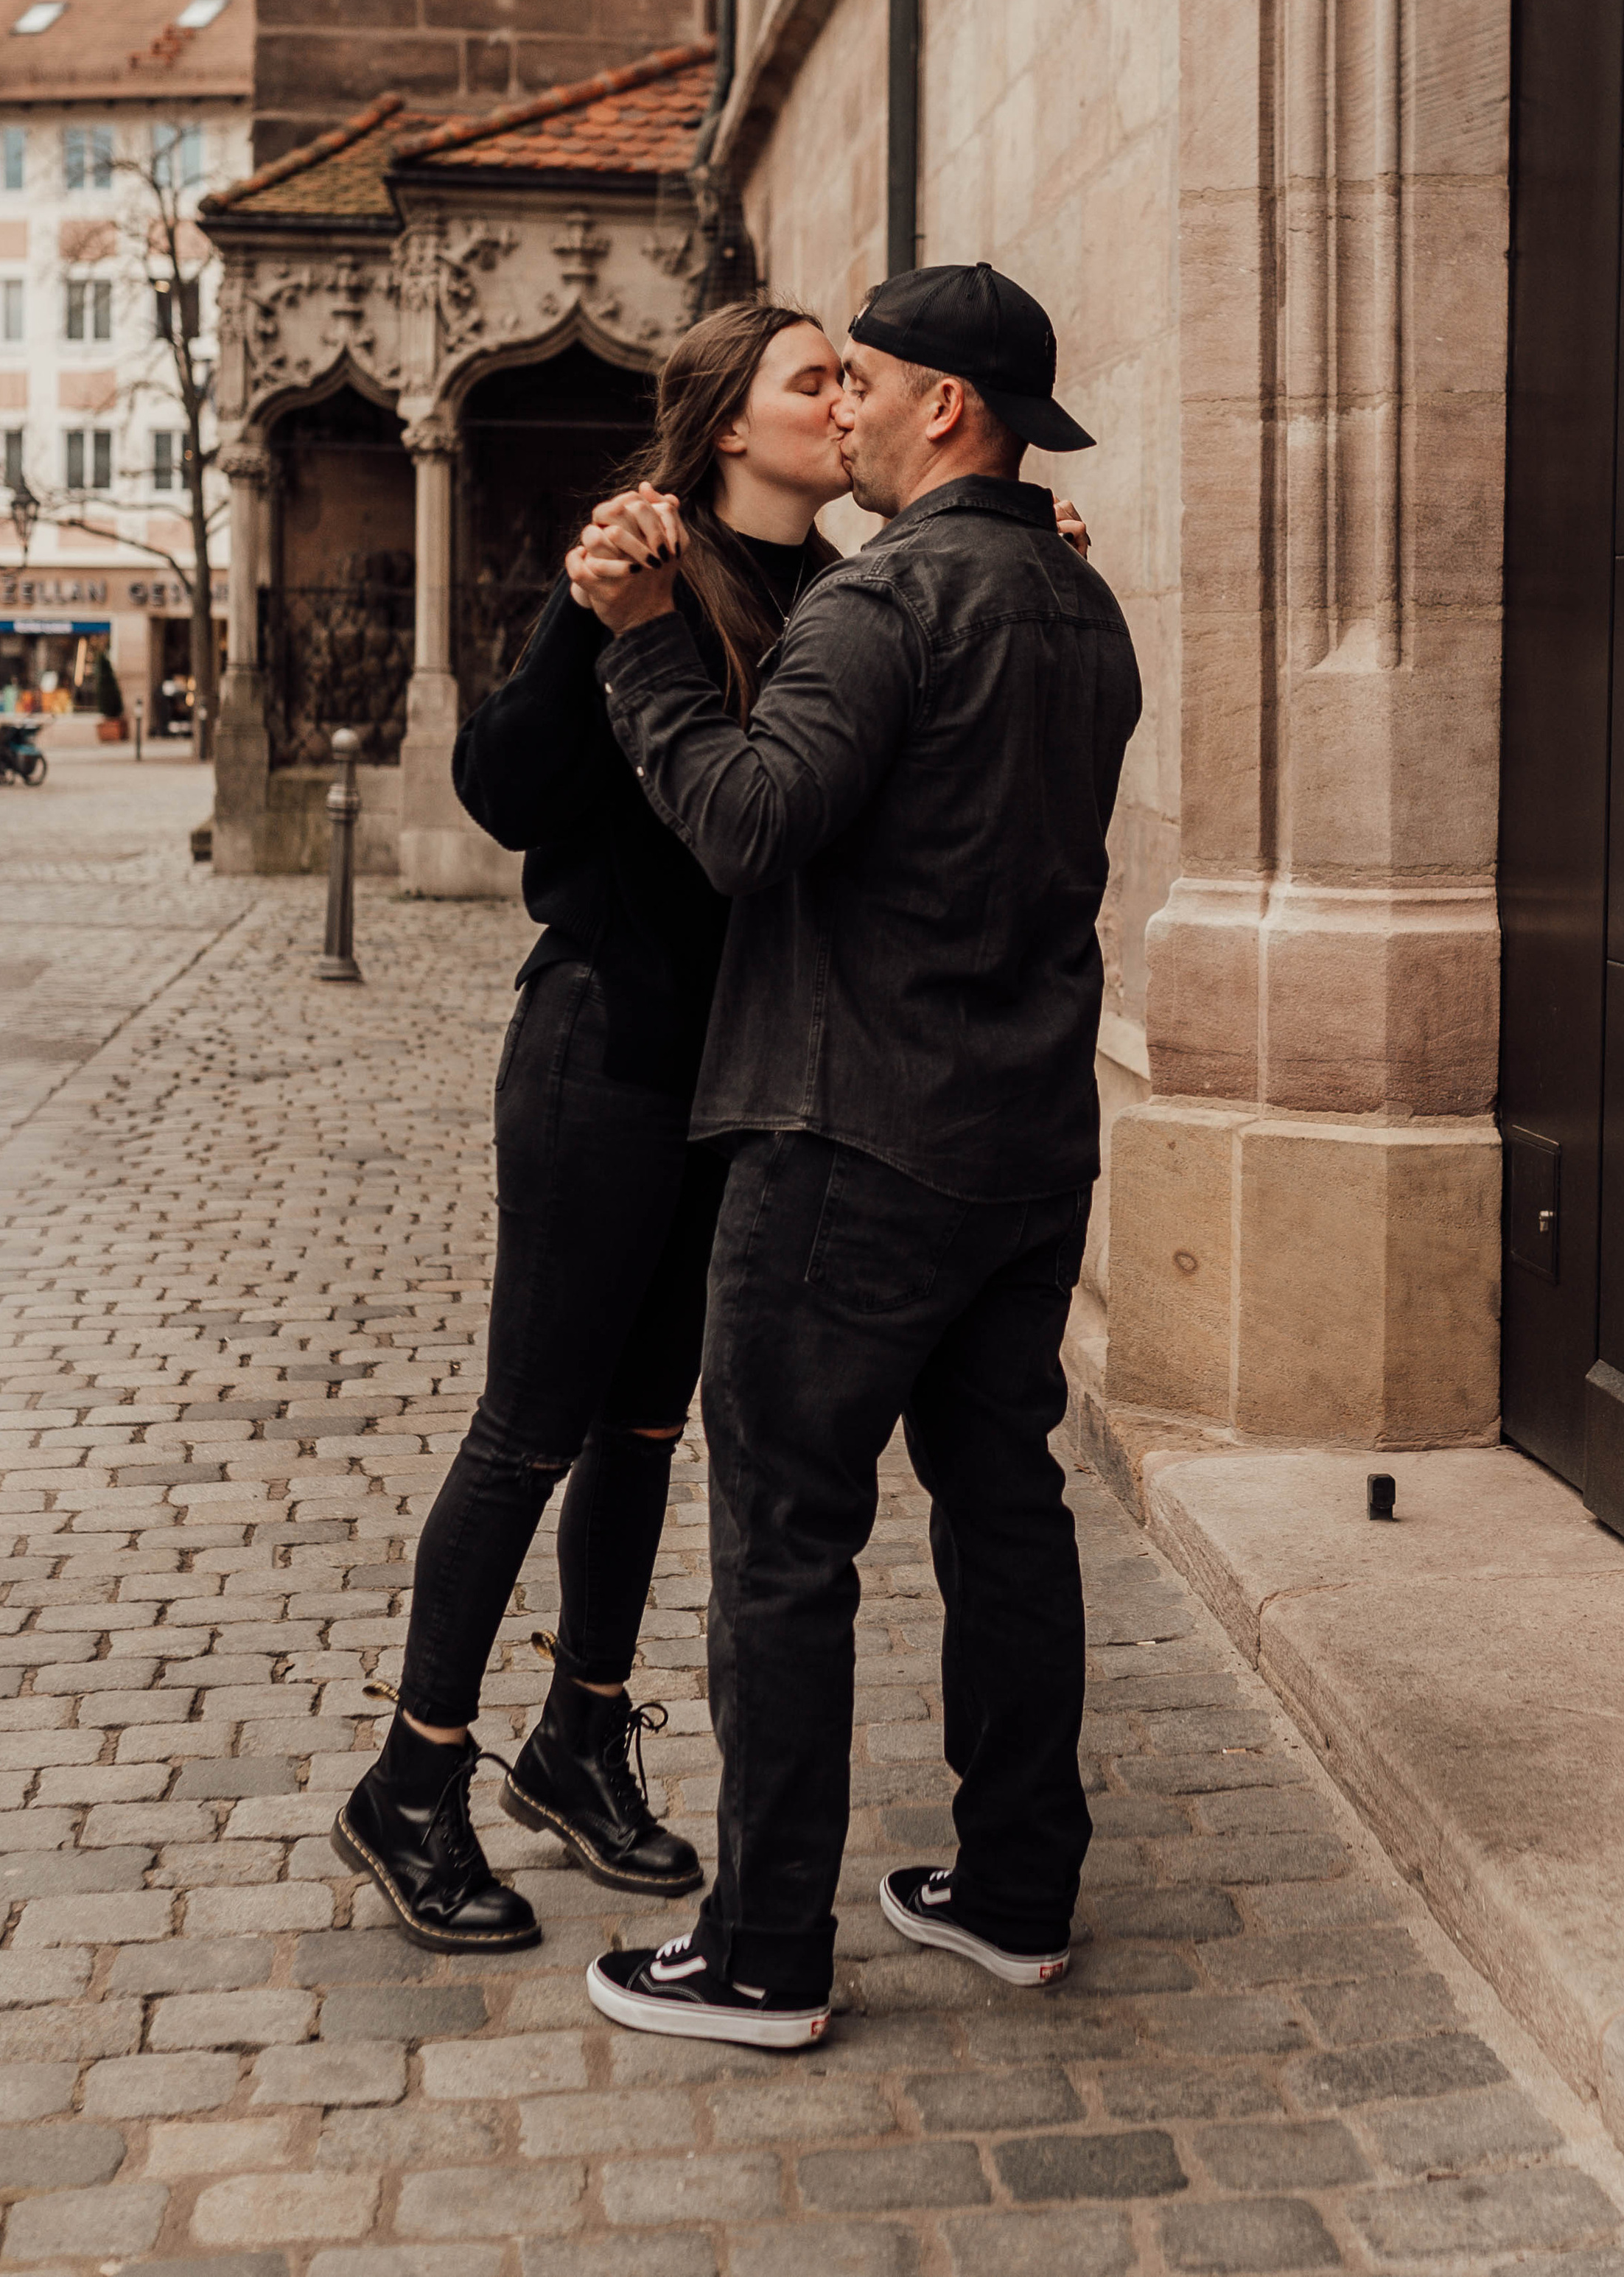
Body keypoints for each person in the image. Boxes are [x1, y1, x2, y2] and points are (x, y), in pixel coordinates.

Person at [573, 262, 1141, 2051]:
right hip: (1025, 1141)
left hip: (849, 1139)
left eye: (867, 385)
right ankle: (1013, 1886)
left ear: (942, 408)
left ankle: (760, 1949)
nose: (847, 411)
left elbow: (745, 823)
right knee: (1003, 1500)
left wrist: (652, 647)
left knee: (783, 1540)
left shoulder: (883, 601)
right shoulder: (1079, 595)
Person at [333, 299, 853, 1954]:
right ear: (725, 428)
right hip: (599, 1056)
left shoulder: (839, 592)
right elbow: (500, 789)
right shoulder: (644, 559)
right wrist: (581, 621)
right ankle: (410, 1782)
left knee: (644, 1430)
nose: (844, 399)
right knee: (529, 1428)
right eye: (813, 378)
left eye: (850, 376)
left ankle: (576, 1738)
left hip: (730, 1080)